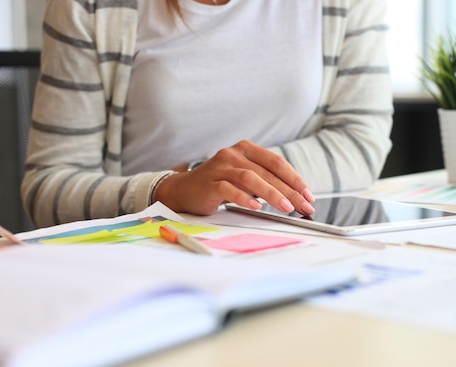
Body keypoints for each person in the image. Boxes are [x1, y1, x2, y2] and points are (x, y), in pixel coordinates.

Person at [22, 0, 393, 228]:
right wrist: (169, 190)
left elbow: (360, 142)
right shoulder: (92, 6)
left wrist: (217, 178)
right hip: (145, 255)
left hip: (292, 248)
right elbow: (47, 187)